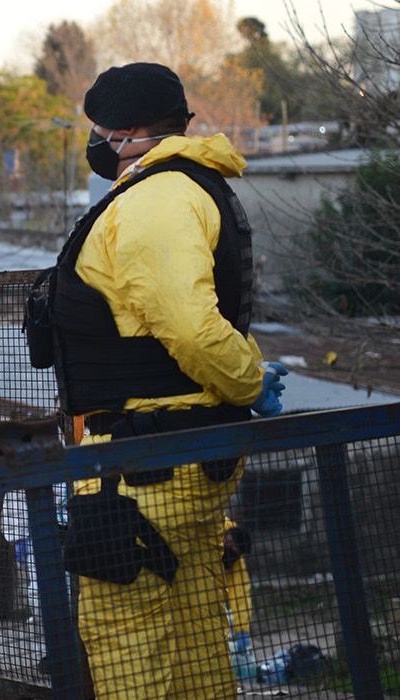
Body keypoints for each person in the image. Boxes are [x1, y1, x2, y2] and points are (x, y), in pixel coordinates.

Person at [45, 63, 289, 699]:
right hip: (180, 452)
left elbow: (187, 322)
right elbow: (209, 311)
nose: (94, 142)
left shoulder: (156, 200)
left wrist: (247, 381)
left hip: (143, 461)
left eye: (98, 130)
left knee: (126, 634)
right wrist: (251, 374)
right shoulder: (193, 187)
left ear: (125, 133)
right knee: (191, 630)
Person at [221, 520, 254, 657]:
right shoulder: (216, 525)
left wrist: (242, 630)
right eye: (229, 544)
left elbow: (240, 596)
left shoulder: (235, 561)